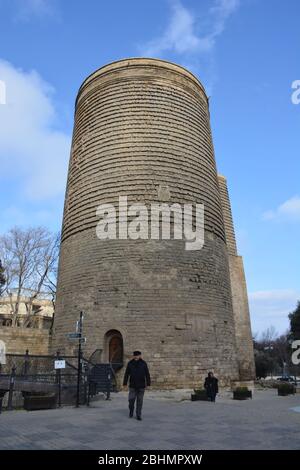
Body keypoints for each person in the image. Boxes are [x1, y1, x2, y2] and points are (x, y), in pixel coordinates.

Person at [123, 350, 151, 421]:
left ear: (140, 356)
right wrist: (125, 383)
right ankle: (131, 411)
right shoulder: (130, 363)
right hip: (132, 385)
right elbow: (127, 374)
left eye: (138, 355)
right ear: (134, 356)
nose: (136, 356)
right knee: (131, 400)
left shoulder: (143, 363)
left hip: (141, 385)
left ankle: (138, 415)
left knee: (140, 401)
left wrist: (148, 383)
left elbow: (147, 374)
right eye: (135, 355)